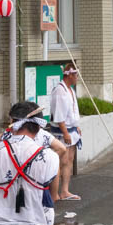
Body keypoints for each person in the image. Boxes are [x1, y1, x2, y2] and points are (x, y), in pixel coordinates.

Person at [48, 62, 82, 201]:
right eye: (76, 75)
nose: (77, 77)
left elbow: (71, 111)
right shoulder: (60, 91)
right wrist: (66, 132)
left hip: (71, 129)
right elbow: (59, 115)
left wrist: (76, 126)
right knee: (61, 161)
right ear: (70, 75)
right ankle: (54, 192)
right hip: (62, 131)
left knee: (69, 160)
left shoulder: (70, 90)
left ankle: (65, 191)